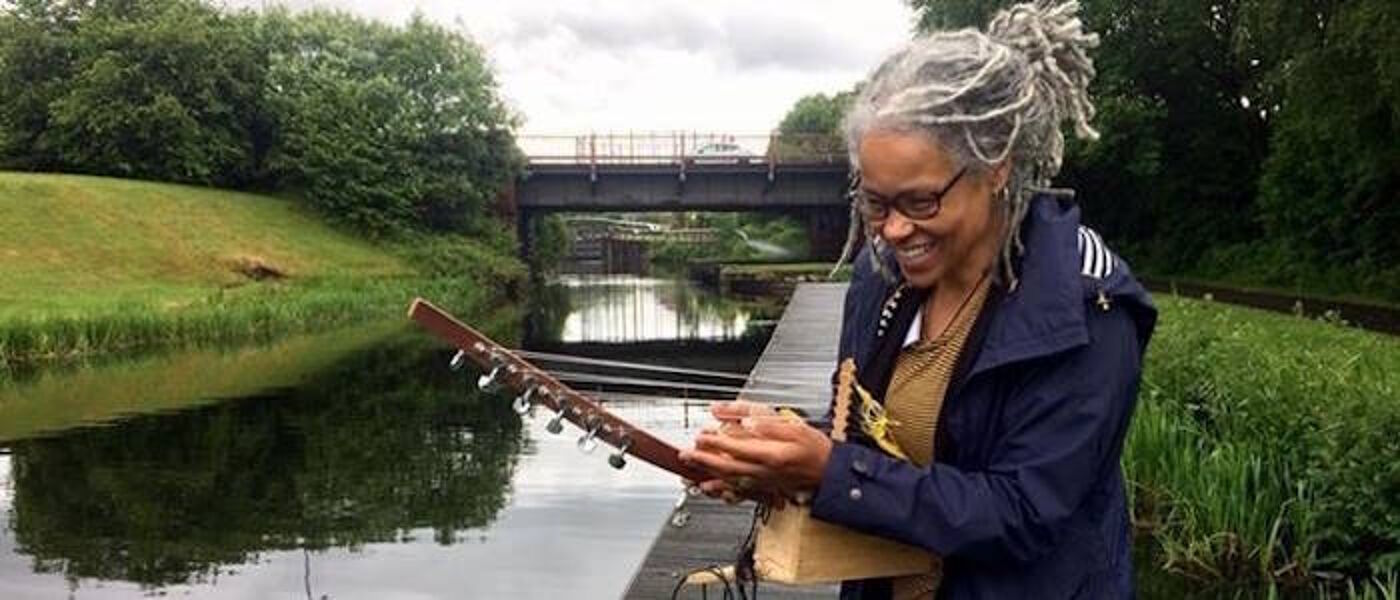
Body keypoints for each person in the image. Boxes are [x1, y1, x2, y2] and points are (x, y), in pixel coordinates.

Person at [677, 2, 1158, 598]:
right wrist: (776, 458)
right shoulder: (881, 278)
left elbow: (1024, 513)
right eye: (875, 204)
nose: (893, 230)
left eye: (920, 202)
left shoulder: (1088, 306)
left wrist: (830, 471)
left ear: (996, 167)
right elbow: (871, 441)